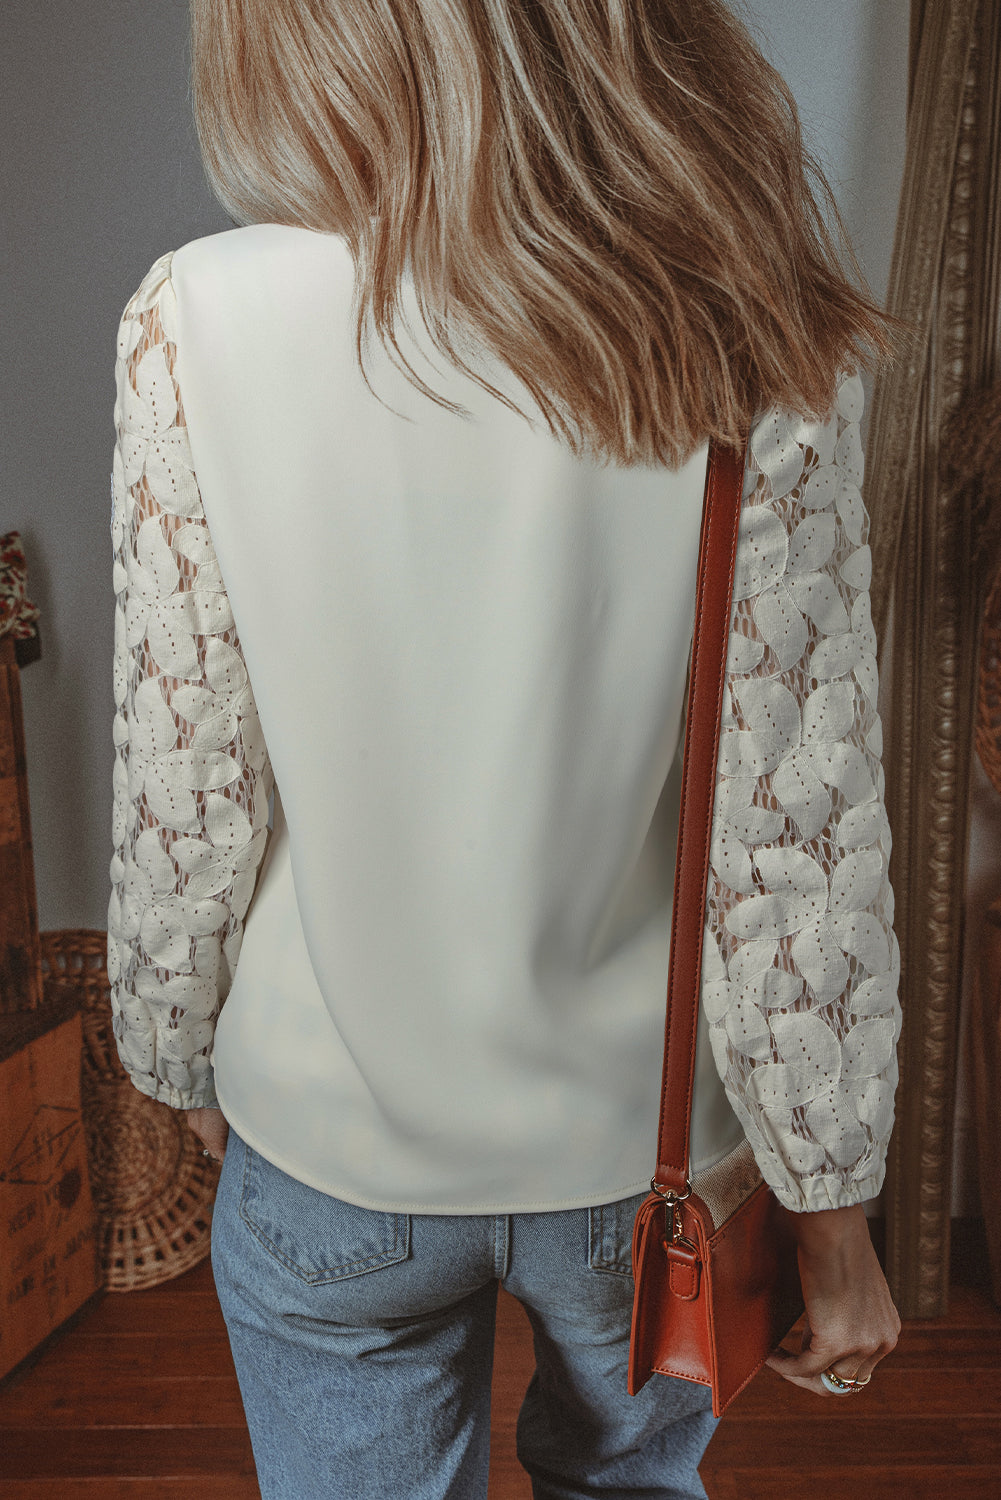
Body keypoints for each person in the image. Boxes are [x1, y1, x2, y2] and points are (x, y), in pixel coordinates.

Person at [107, 1, 902, 1495]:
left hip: (327, 1129)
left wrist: (174, 1056)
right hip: (636, 1159)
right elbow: (795, 842)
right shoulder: (746, 326)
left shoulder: (194, 316)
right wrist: (832, 1215)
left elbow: (184, 785)